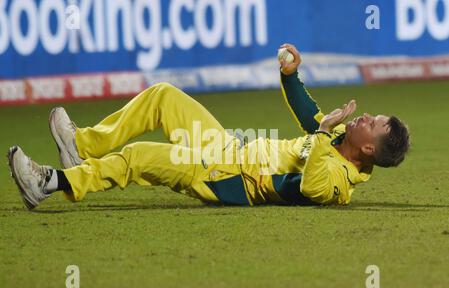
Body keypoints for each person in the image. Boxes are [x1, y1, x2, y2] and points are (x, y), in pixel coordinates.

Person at [7, 44, 410, 210]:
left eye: (372, 124)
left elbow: (307, 186)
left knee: (140, 157)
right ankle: (83, 147)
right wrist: (291, 75)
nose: (364, 118)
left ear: (370, 149)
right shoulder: (338, 140)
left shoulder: (340, 182)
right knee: (163, 95)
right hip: (225, 147)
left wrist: (322, 134)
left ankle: (51, 182)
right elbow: (312, 121)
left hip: (225, 174)